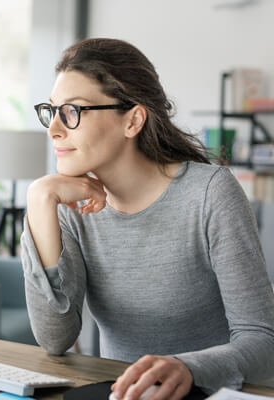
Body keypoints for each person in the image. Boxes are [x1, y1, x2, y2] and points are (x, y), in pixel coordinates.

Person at [20, 38, 274, 400]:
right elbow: (55, 339)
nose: (54, 129)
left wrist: (186, 368)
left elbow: (262, 341)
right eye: (52, 111)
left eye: (73, 111)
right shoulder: (69, 206)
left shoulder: (209, 194)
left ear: (133, 120)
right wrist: (40, 201)